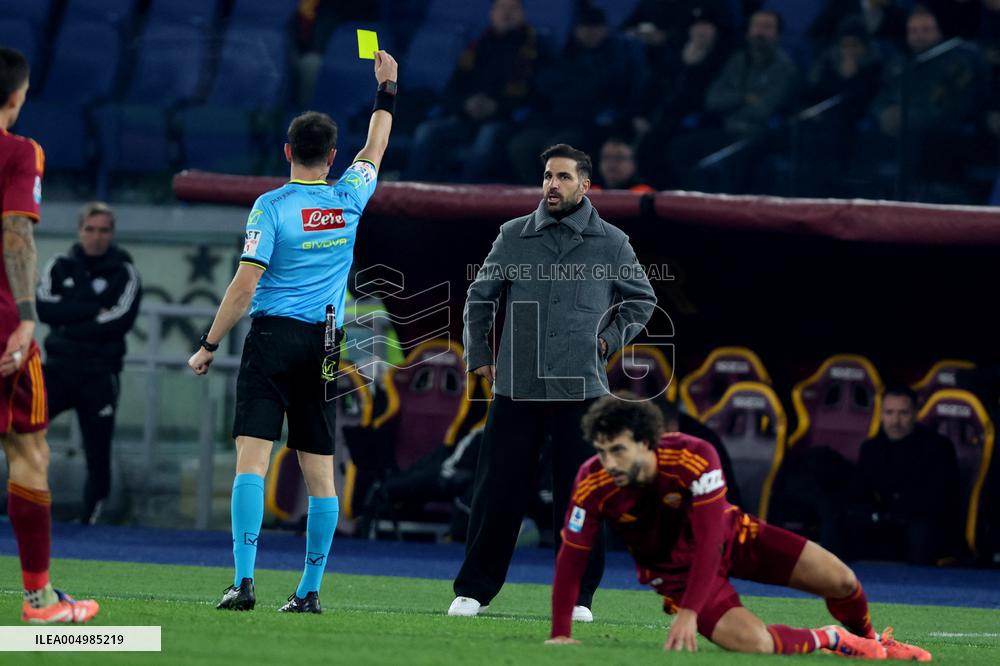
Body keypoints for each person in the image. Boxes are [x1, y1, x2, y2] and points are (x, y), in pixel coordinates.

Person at [188, 49, 398, 614]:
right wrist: (387, 89)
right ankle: (308, 592)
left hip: (273, 337)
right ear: (332, 157)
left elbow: (245, 283)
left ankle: (244, 582)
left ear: (288, 152)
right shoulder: (349, 196)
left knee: (252, 461)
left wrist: (209, 344)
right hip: (328, 343)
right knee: (319, 470)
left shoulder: (270, 206)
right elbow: (375, 146)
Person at [546, 394, 932, 661]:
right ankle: (834, 638)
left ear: (648, 442)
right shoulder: (592, 481)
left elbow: (713, 537)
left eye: (618, 450)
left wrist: (690, 614)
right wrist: (561, 632)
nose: (608, 462)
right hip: (677, 575)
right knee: (756, 644)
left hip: (735, 537)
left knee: (843, 581)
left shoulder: (694, 455)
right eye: (601, 450)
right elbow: (571, 557)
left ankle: (872, 641)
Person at [450, 143, 657, 620]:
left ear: (585, 185)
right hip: (516, 386)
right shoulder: (513, 235)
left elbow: (641, 301)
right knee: (496, 492)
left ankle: (580, 596)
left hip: (581, 390)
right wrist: (479, 352)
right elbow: (479, 297)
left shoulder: (612, 241)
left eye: (563, 177)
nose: (552, 185)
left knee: (582, 497)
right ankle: (473, 590)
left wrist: (606, 341)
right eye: (547, 176)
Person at [0, 46, 99, 623]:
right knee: (29, 452)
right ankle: (39, 601)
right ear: (17, 95)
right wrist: (29, 315)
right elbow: (15, 235)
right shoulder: (18, 152)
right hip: (3, 328)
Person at [37, 201, 142, 525]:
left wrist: (70, 320)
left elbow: (118, 320)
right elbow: (45, 310)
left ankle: (90, 519)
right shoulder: (59, 265)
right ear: (80, 230)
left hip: (99, 373)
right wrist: (91, 311)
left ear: (112, 234)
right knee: (21, 432)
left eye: (103, 230)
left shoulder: (124, 272)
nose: (96, 237)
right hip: (56, 368)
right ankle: (23, 507)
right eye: (90, 229)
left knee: (98, 450)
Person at [404, 0, 542, 183]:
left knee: (487, 137)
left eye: (513, 9)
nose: (506, 14)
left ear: (523, 14)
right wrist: (466, 104)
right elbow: (454, 86)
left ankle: (466, 199)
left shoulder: (534, 48)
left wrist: (497, 106)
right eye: (501, 8)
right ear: (491, 13)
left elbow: (535, 95)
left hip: (506, 119)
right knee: (427, 131)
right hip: (466, 116)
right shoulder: (477, 45)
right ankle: (412, 192)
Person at [836, 385, 963, 565]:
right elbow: (859, 490)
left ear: (915, 414)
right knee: (841, 521)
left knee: (922, 532)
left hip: (920, 520)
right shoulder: (871, 448)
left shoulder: (938, 447)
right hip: (884, 519)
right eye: (889, 413)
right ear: (881, 415)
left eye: (903, 413)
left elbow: (941, 497)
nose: (895, 420)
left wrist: (895, 512)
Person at [589, 137, 655, 193]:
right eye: (606, 157)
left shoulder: (644, 194)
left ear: (633, 164)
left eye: (619, 158)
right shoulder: (591, 193)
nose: (612, 164)